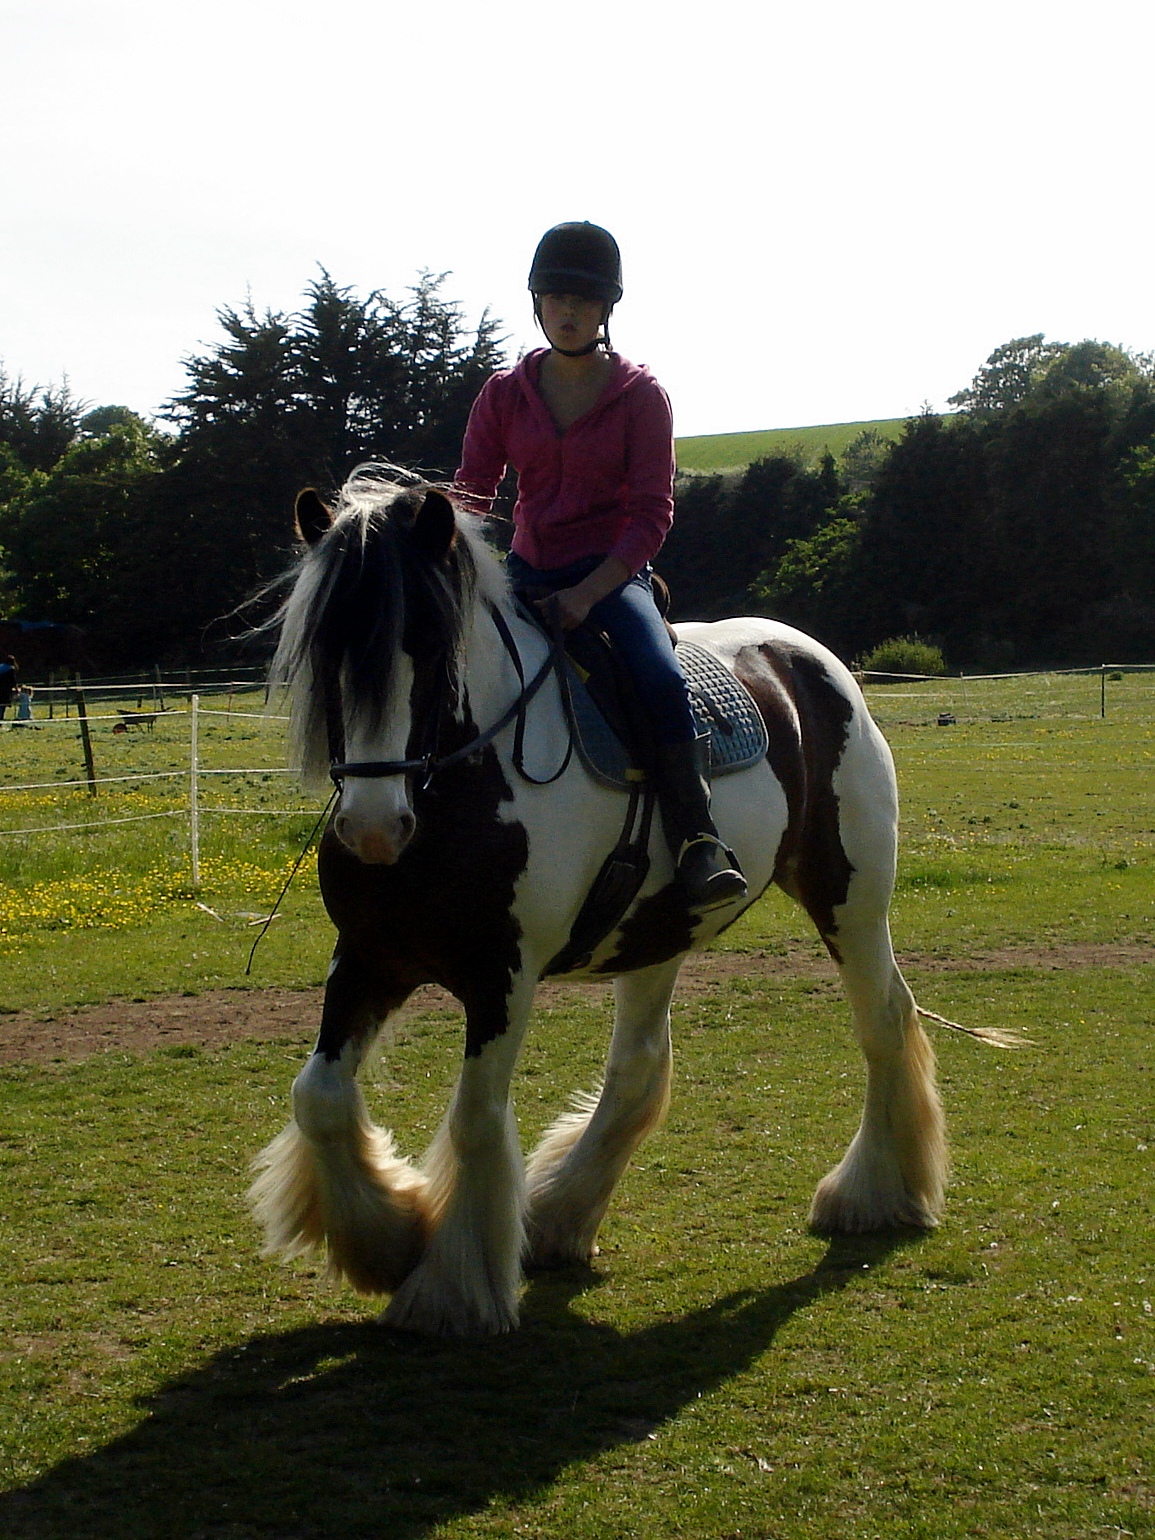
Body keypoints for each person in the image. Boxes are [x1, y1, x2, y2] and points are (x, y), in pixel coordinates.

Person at [455, 221, 746, 910]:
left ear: (606, 308)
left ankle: (696, 837)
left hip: (611, 579)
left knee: (659, 676)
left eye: (583, 300)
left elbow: (651, 515)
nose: (568, 311)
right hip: (524, 574)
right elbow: (471, 492)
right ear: (536, 302)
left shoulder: (642, 397)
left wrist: (588, 595)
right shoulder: (502, 393)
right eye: (556, 297)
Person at [0, 655, 17, 722]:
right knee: (2, 705)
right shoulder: (10, 669)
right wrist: (16, 688)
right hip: (4, 689)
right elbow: (13, 680)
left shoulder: (1, 666)